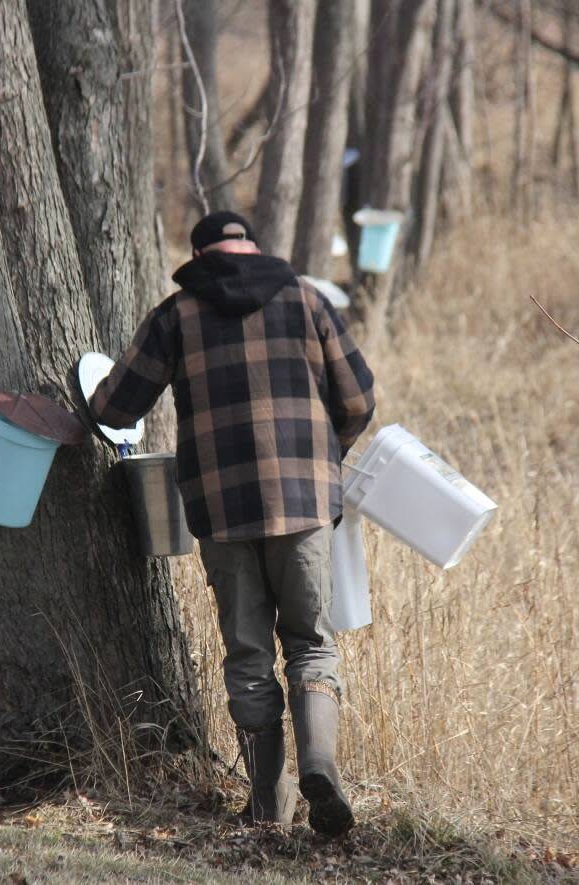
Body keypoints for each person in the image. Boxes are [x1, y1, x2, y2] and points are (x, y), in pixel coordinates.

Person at [88, 211, 375, 837]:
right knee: (311, 642)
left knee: (248, 657)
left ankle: (270, 809)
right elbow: (357, 400)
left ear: (200, 255)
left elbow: (114, 407)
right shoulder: (306, 298)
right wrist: (323, 458)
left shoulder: (177, 315)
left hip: (221, 510)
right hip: (304, 503)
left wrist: (82, 387)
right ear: (253, 246)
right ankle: (319, 766)